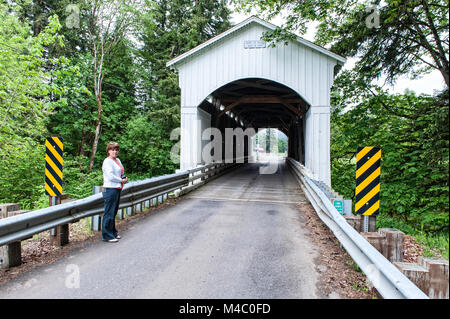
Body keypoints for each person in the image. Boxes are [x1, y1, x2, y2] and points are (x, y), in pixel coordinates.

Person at [101, 142, 127, 243]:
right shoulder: (107, 162)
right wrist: (121, 180)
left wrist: (124, 178)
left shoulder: (118, 160)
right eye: (112, 150)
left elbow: (121, 172)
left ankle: (113, 232)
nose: (115, 152)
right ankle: (107, 235)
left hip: (117, 188)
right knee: (109, 212)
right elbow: (110, 176)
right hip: (110, 189)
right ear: (108, 151)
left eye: (116, 150)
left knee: (114, 211)